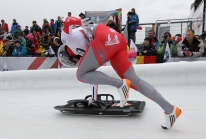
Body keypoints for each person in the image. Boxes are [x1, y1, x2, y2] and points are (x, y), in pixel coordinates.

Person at [58, 16, 182, 129]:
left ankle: (120, 84)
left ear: (66, 55)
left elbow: (68, 20)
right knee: (135, 82)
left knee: (80, 74)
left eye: (71, 60)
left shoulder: (65, 39)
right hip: (117, 39)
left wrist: (79, 21)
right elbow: (93, 76)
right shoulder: (84, 51)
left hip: (104, 37)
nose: (76, 59)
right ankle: (170, 110)